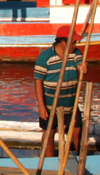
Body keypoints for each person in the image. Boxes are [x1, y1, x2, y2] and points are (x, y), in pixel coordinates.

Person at [34, 30, 84, 158]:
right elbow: (38, 81)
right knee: (49, 132)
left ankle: (81, 159)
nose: (75, 45)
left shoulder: (75, 53)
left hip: (70, 103)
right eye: (73, 42)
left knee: (78, 131)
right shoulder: (46, 57)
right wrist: (41, 106)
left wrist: (82, 67)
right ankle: (50, 162)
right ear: (63, 42)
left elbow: (80, 64)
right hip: (51, 104)